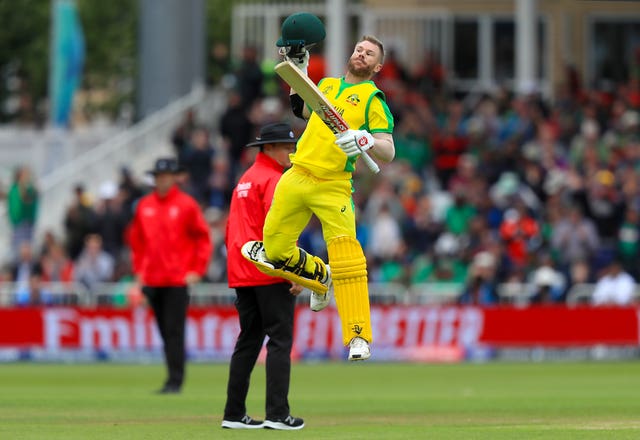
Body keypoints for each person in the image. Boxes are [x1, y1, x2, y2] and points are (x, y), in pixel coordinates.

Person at [242, 35, 395, 361]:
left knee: (348, 259)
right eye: (359, 49)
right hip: (297, 174)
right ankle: (318, 276)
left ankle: (358, 336)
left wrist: (366, 139)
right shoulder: (325, 84)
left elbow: (389, 150)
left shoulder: (373, 100)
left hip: (333, 184)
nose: (361, 54)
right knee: (273, 250)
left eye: (369, 54)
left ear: (377, 66)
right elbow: (300, 108)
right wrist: (299, 69)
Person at [222, 122, 305, 430]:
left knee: (248, 341)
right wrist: (293, 271)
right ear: (268, 149)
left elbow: (232, 230)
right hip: (269, 271)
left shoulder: (245, 180)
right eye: (287, 146)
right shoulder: (274, 180)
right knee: (280, 341)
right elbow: (278, 231)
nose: (291, 152)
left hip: (242, 271)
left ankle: (233, 414)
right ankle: (278, 414)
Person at [127, 157, 212, 394]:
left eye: (165, 176)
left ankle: (175, 380)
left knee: (174, 331)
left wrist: (197, 269)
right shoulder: (144, 206)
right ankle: (172, 377)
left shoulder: (186, 205)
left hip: (176, 279)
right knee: (165, 331)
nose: (162, 180)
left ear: (174, 177)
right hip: (153, 278)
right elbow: (138, 243)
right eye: (158, 177)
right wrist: (139, 275)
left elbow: (203, 238)